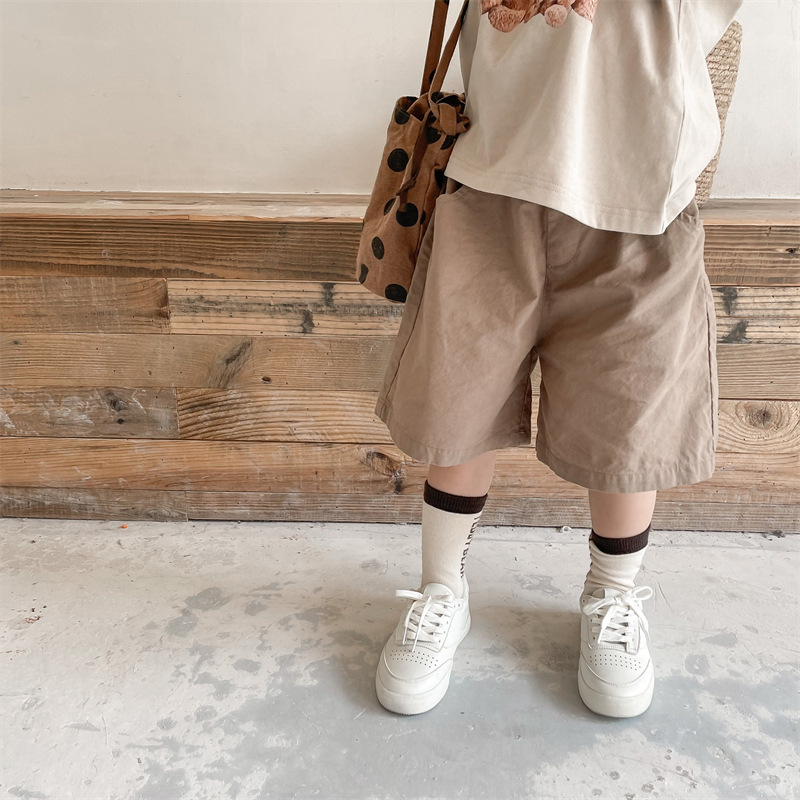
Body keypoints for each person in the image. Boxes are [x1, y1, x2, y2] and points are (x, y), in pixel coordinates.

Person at [372, 0, 743, 718]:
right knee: (457, 401)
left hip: (644, 189)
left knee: (629, 417)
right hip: (495, 167)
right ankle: (442, 589)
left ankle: (613, 594)